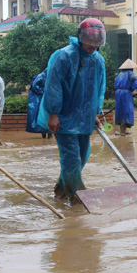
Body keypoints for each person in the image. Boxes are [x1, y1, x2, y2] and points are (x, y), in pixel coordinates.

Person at [37, 18, 106, 202]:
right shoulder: (64, 56)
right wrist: (53, 113)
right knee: (71, 159)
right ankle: (77, 197)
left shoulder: (98, 61)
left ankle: (61, 190)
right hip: (64, 117)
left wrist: (95, 114)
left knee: (82, 157)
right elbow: (53, 86)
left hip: (85, 119)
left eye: (97, 40)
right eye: (89, 39)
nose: (92, 45)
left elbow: (98, 89)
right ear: (80, 37)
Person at [114, 58, 137, 135]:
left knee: (120, 110)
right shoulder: (130, 73)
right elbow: (136, 80)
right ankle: (123, 131)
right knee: (127, 110)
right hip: (125, 94)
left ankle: (122, 130)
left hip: (118, 93)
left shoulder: (119, 75)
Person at [26, 69, 53, 138]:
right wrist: (45, 91)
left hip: (47, 100)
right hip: (40, 100)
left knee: (48, 116)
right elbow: (35, 87)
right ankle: (44, 134)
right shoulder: (40, 77)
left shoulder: (51, 76)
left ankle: (49, 134)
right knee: (42, 116)